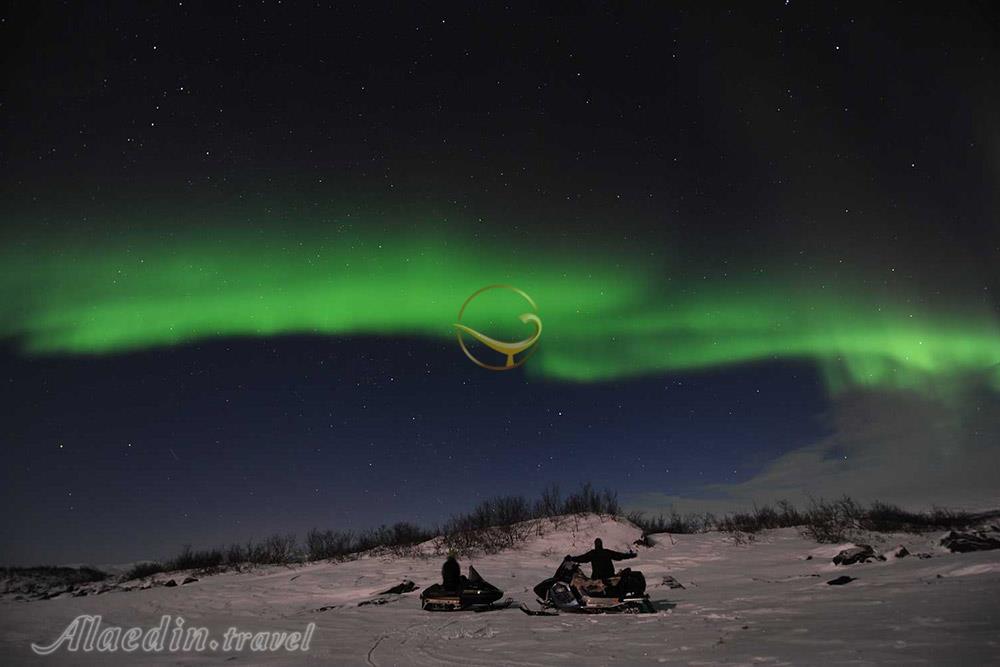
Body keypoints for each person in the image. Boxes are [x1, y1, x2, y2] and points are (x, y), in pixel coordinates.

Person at [566, 538, 636, 581]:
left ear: (595, 545)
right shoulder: (606, 552)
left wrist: (572, 558)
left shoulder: (593, 553)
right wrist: (630, 555)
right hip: (609, 576)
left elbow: (582, 558)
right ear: (601, 544)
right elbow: (619, 556)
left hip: (598, 578)